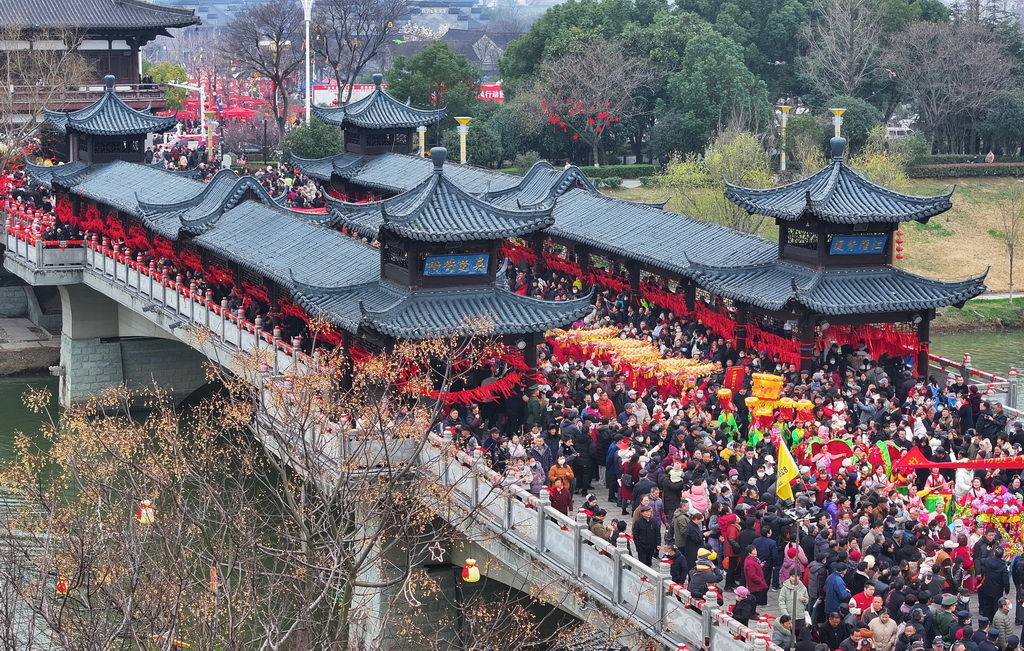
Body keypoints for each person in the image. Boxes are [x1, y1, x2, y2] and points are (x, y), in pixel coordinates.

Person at [979, 547, 1010, 621]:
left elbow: (981, 558)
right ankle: (995, 620)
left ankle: (986, 620)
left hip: (987, 587)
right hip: (997, 589)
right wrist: (1007, 590)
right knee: (996, 606)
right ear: (1002, 556)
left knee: (987, 605)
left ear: (994, 554)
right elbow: (1006, 580)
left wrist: (986, 551)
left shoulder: (987, 561)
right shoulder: (1003, 566)